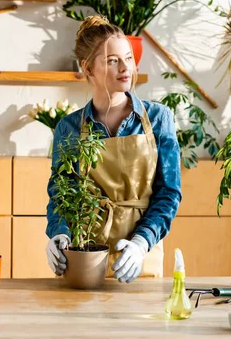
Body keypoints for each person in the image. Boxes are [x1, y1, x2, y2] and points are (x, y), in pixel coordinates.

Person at [45, 15, 182, 283]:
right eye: (112, 60)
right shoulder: (69, 128)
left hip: (140, 257)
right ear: (87, 68)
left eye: (128, 58)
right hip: (83, 255)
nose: (125, 68)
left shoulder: (158, 119)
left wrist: (141, 243)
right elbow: (60, 192)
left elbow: (169, 193)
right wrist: (58, 234)